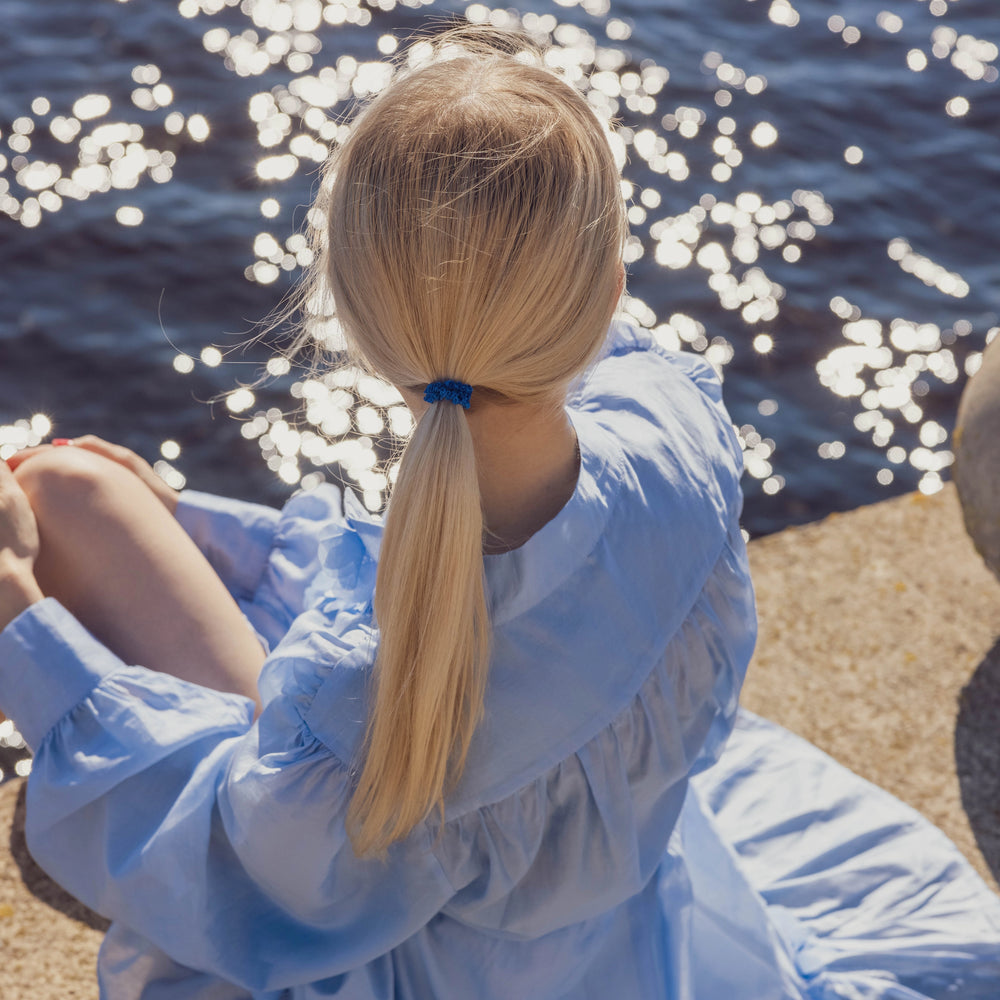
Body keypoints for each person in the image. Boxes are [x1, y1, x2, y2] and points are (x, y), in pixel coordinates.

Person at [0, 25, 998, 1000]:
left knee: (57, 497)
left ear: (352, 322)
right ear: (606, 286)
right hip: (657, 940)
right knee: (79, 491)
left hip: (423, 962)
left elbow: (242, 873)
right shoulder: (681, 436)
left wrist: (20, 624)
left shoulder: (359, 695)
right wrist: (186, 521)